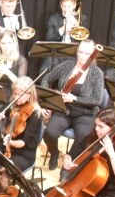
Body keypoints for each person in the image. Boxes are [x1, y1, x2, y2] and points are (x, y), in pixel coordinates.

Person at [41, 39, 105, 171]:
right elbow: (46, 79)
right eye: (80, 52)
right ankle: (54, 153)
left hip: (85, 113)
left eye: (87, 53)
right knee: (49, 133)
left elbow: (97, 100)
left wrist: (74, 99)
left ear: (93, 54)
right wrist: (48, 101)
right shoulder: (67, 65)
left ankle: (69, 161)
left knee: (84, 136)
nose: (83, 56)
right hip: (64, 110)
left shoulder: (96, 72)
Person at [0, 76, 44, 175]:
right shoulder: (13, 104)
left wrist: (9, 142)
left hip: (23, 155)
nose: (16, 98)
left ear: (30, 95)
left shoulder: (36, 114)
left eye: (20, 95)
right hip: (5, 148)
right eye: (15, 94)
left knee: (2, 174)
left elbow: (23, 142)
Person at [40, 0, 87, 76]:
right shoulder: (53, 18)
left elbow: (85, 41)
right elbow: (48, 39)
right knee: (44, 68)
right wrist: (62, 30)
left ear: (74, 5)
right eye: (64, 6)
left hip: (73, 54)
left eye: (69, 6)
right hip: (56, 53)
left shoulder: (82, 19)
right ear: (61, 5)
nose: (66, 9)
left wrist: (76, 27)